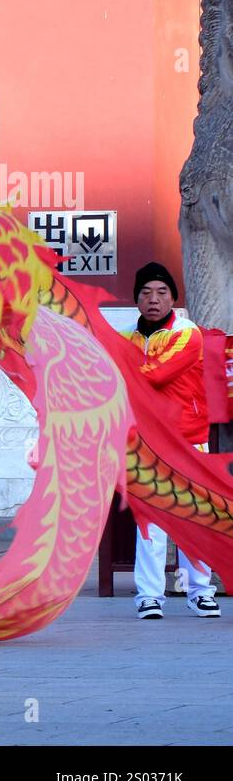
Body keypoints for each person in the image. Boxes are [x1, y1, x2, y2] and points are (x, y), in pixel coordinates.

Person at [125, 261, 220, 619]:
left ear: (173, 299)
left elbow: (155, 374)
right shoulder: (125, 338)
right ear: (136, 299)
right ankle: (149, 597)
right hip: (146, 445)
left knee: (194, 519)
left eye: (161, 292)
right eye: (146, 292)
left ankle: (200, 592)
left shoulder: (187, 333)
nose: (153, 299)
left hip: (188, 442)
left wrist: (121, 370)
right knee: (151, 521)